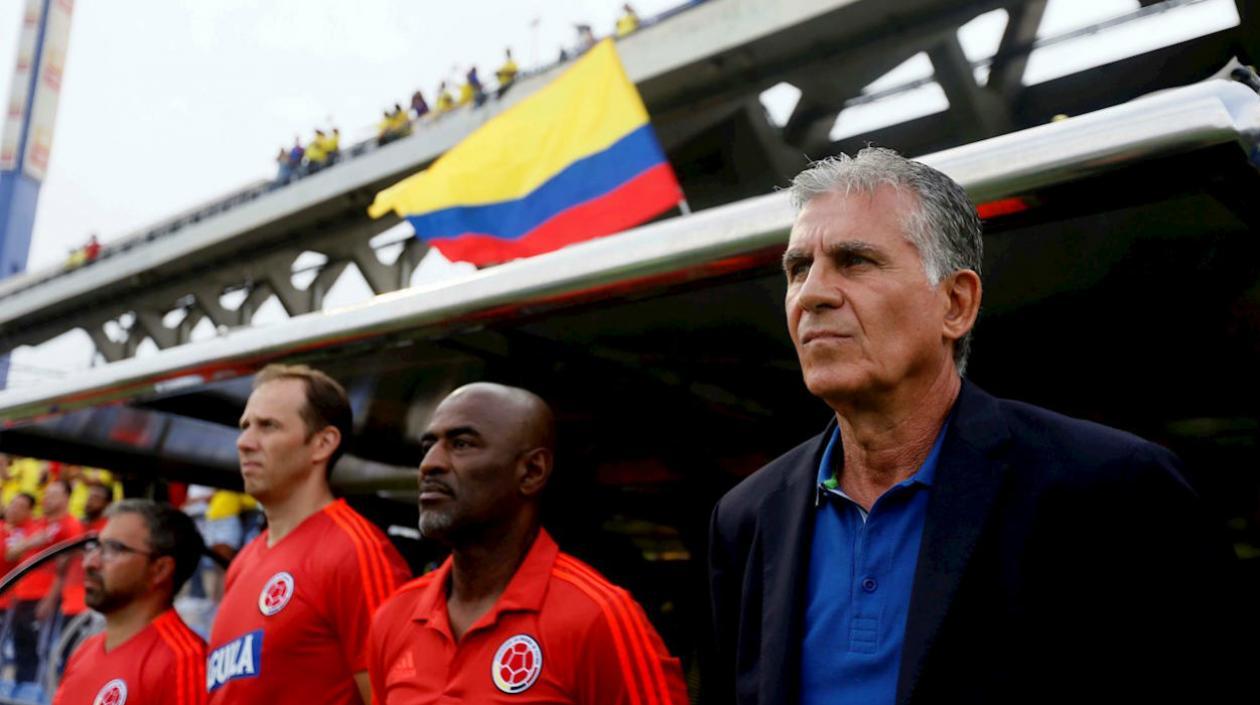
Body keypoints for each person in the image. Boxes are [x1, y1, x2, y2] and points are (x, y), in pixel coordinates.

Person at [706, 147, 1249, 705]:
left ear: (956, 304)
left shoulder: (1114, 488)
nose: (812, 294)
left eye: (854, 261)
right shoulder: (748, 516)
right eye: (798, 268)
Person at [368, 383, 688, 704]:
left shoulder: (598, 615)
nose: (429, 464)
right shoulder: (395, 617)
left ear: (532, 471)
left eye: (462, 444)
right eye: (428, 446)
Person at [207, 364, 410, 705]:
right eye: (244, 426)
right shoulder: (242, 563)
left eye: (268, 426)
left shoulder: (357, 550)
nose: (244, 442)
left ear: (322, 444)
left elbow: (394, 695)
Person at [52, 500, 207, 705]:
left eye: (113, 549)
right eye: (96, 547)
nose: (89, 562)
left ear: (160, 569)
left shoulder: (184, 660)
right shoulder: (85, 650)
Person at [8, 480, 83, 689]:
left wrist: (51, 598)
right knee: (20, 646)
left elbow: (65, 567)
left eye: (53, 494)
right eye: (46, 494)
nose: (46, 498)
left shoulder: (71, 525)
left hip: (44, 596)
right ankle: (19, 690)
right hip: (22, 593)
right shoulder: (39, 524)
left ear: (66, 498)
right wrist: (34, 541)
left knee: (38, 650)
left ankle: (34, 694)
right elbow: (12, 552)